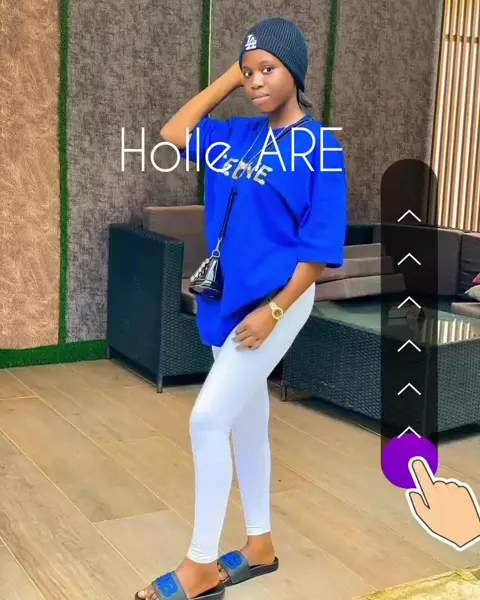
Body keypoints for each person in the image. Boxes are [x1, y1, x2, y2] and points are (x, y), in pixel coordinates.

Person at [136, 17, 347, 600]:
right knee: (247, 421)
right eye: (248, 71)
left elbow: (318, 249)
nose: (255, 81)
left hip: (278, 302)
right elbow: (175, 131)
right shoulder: (237, 134)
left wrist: (275, 312)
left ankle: (201, 563)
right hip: (228, 298)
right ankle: (260, 544)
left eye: (268, 69)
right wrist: (231, 74)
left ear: (295, 72)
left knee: (208, 420)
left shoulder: (321, 147)